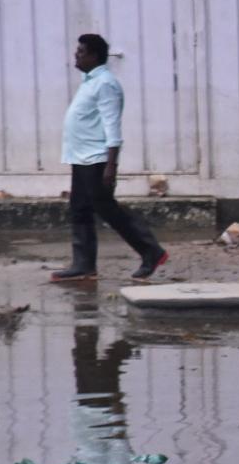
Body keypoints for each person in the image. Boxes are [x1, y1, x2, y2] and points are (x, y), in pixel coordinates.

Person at [51, 33, 167, 283]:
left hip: (97, 160)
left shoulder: (105, 84)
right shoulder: (89, 82)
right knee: (79, 209)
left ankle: (151, 251)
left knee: (108, 210)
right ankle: (83, 264)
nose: (76, 55)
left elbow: (112, 126)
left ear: (94, 56)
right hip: (81, 158)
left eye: (81, 51)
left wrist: (111, 165)